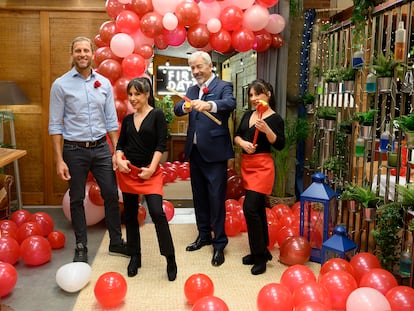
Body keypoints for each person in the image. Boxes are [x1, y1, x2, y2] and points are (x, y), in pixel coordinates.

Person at [48, 36, 127, 263]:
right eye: (77, 51)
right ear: (72, 54)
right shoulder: (60, 85)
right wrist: (59, 160)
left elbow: (112, 122)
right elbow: (55, 125)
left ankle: (116, 241)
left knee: (112, 194)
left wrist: (116, 152)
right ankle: (81, 246)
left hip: (102, 148)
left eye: (86, 50)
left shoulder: (103, 83)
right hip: (74, 150)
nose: (82, 54)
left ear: (93, 54)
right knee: (76, 199)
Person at [174, 51, 236, 267]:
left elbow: (230, 103)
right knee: (198, 197)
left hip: (216, 153)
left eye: (199, 66)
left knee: (216, 199)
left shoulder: (223, 86)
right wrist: (185, 106)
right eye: (192, 68)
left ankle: (219, 244)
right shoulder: (192, 90)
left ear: (210, 66)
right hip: (195, 152)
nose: (196, 71)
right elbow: (177, 109)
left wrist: (209, 105)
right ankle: (203, 235)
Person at [115, 77, 177, 280]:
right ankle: (135, 256)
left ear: (147, 94)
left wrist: (151, 168)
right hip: (129, 172)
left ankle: (170, 258)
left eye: (137, 94)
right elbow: (120, 145)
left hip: (151, 173)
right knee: (131, 215)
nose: (133, 98)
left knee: (157, 213)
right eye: (130, 94)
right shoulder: (127, 119)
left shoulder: (157, 115)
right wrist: (118, 159)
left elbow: (161, 145)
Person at [234, 79, 285, 275]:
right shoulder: (248, 115)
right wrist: (243, 144)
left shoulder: (275, 118)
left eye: (258, 94)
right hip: (248, 165)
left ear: (268, 94)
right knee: (258, 209)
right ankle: (262, 249)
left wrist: (267, 131)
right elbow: (237, 135)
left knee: (249, 208)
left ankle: (259, 257)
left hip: (263, 168)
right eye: (251, 95)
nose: (254, 99)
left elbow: (279, 144)